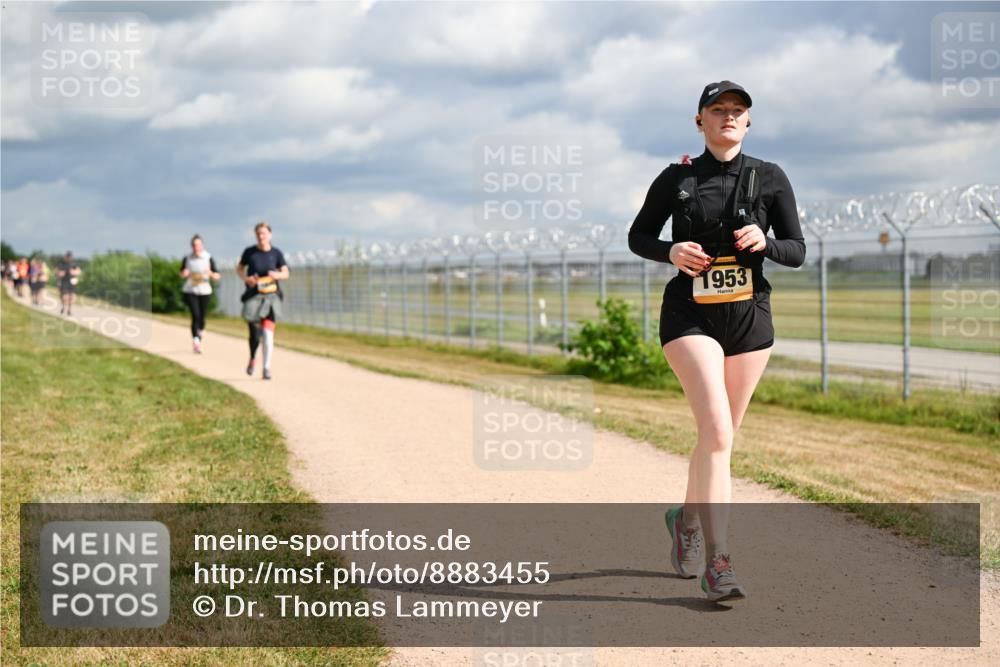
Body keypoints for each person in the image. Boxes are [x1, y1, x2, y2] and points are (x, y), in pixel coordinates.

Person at [628, 81, 806, 603]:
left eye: (738, 111)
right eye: (718, 110)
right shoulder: (678, 178)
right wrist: (671, 252)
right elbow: (639, 235)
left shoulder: (770, 177)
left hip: (750, 318)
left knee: (717, 440)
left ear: (748, 123)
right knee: (718, 433)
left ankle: (685, 519)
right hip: (690, 316)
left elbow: (797, 249)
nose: (728, 117)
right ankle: (718, 562)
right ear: (699, 121)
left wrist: (766, 243)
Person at [236, 222, 289, 380]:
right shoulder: (250, 252)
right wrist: (247, 278)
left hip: (271, 297)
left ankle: (266, 367)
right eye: (258, 233)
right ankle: (253, 358)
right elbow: (239, 269)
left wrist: (277, 275)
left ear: (270, 235)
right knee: (254, 334)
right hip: (253, 297)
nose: (261, 236)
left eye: (264, 233)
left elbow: (286, 272)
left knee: (268, 333)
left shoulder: (276, 253)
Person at [180, 234, 221, 354]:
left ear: (202, 245)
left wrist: (211, 273)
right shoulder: (187, 258)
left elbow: (217, 276)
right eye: (194, 245)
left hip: (204, 290)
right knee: (195, 315)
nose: (196, 247)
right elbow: (181, 273)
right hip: (190, 290)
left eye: (198, 245)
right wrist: (185, 273)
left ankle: (200, 331)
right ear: (191, 246)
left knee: (202, 317)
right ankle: (196, 342)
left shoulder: (208, 258)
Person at [55, 251, 82, 316]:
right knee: (65, 296)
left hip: (72, 282)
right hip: (64, 282)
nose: (69, 258)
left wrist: (74, 272)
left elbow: (79, 271)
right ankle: (63, 307)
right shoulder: (61, 264)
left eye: (70, 257)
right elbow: (57, 272)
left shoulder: (74, 264)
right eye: (68, 257)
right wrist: (62, 273)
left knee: (72, 296)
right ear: (65, 257)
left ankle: (69, 310)